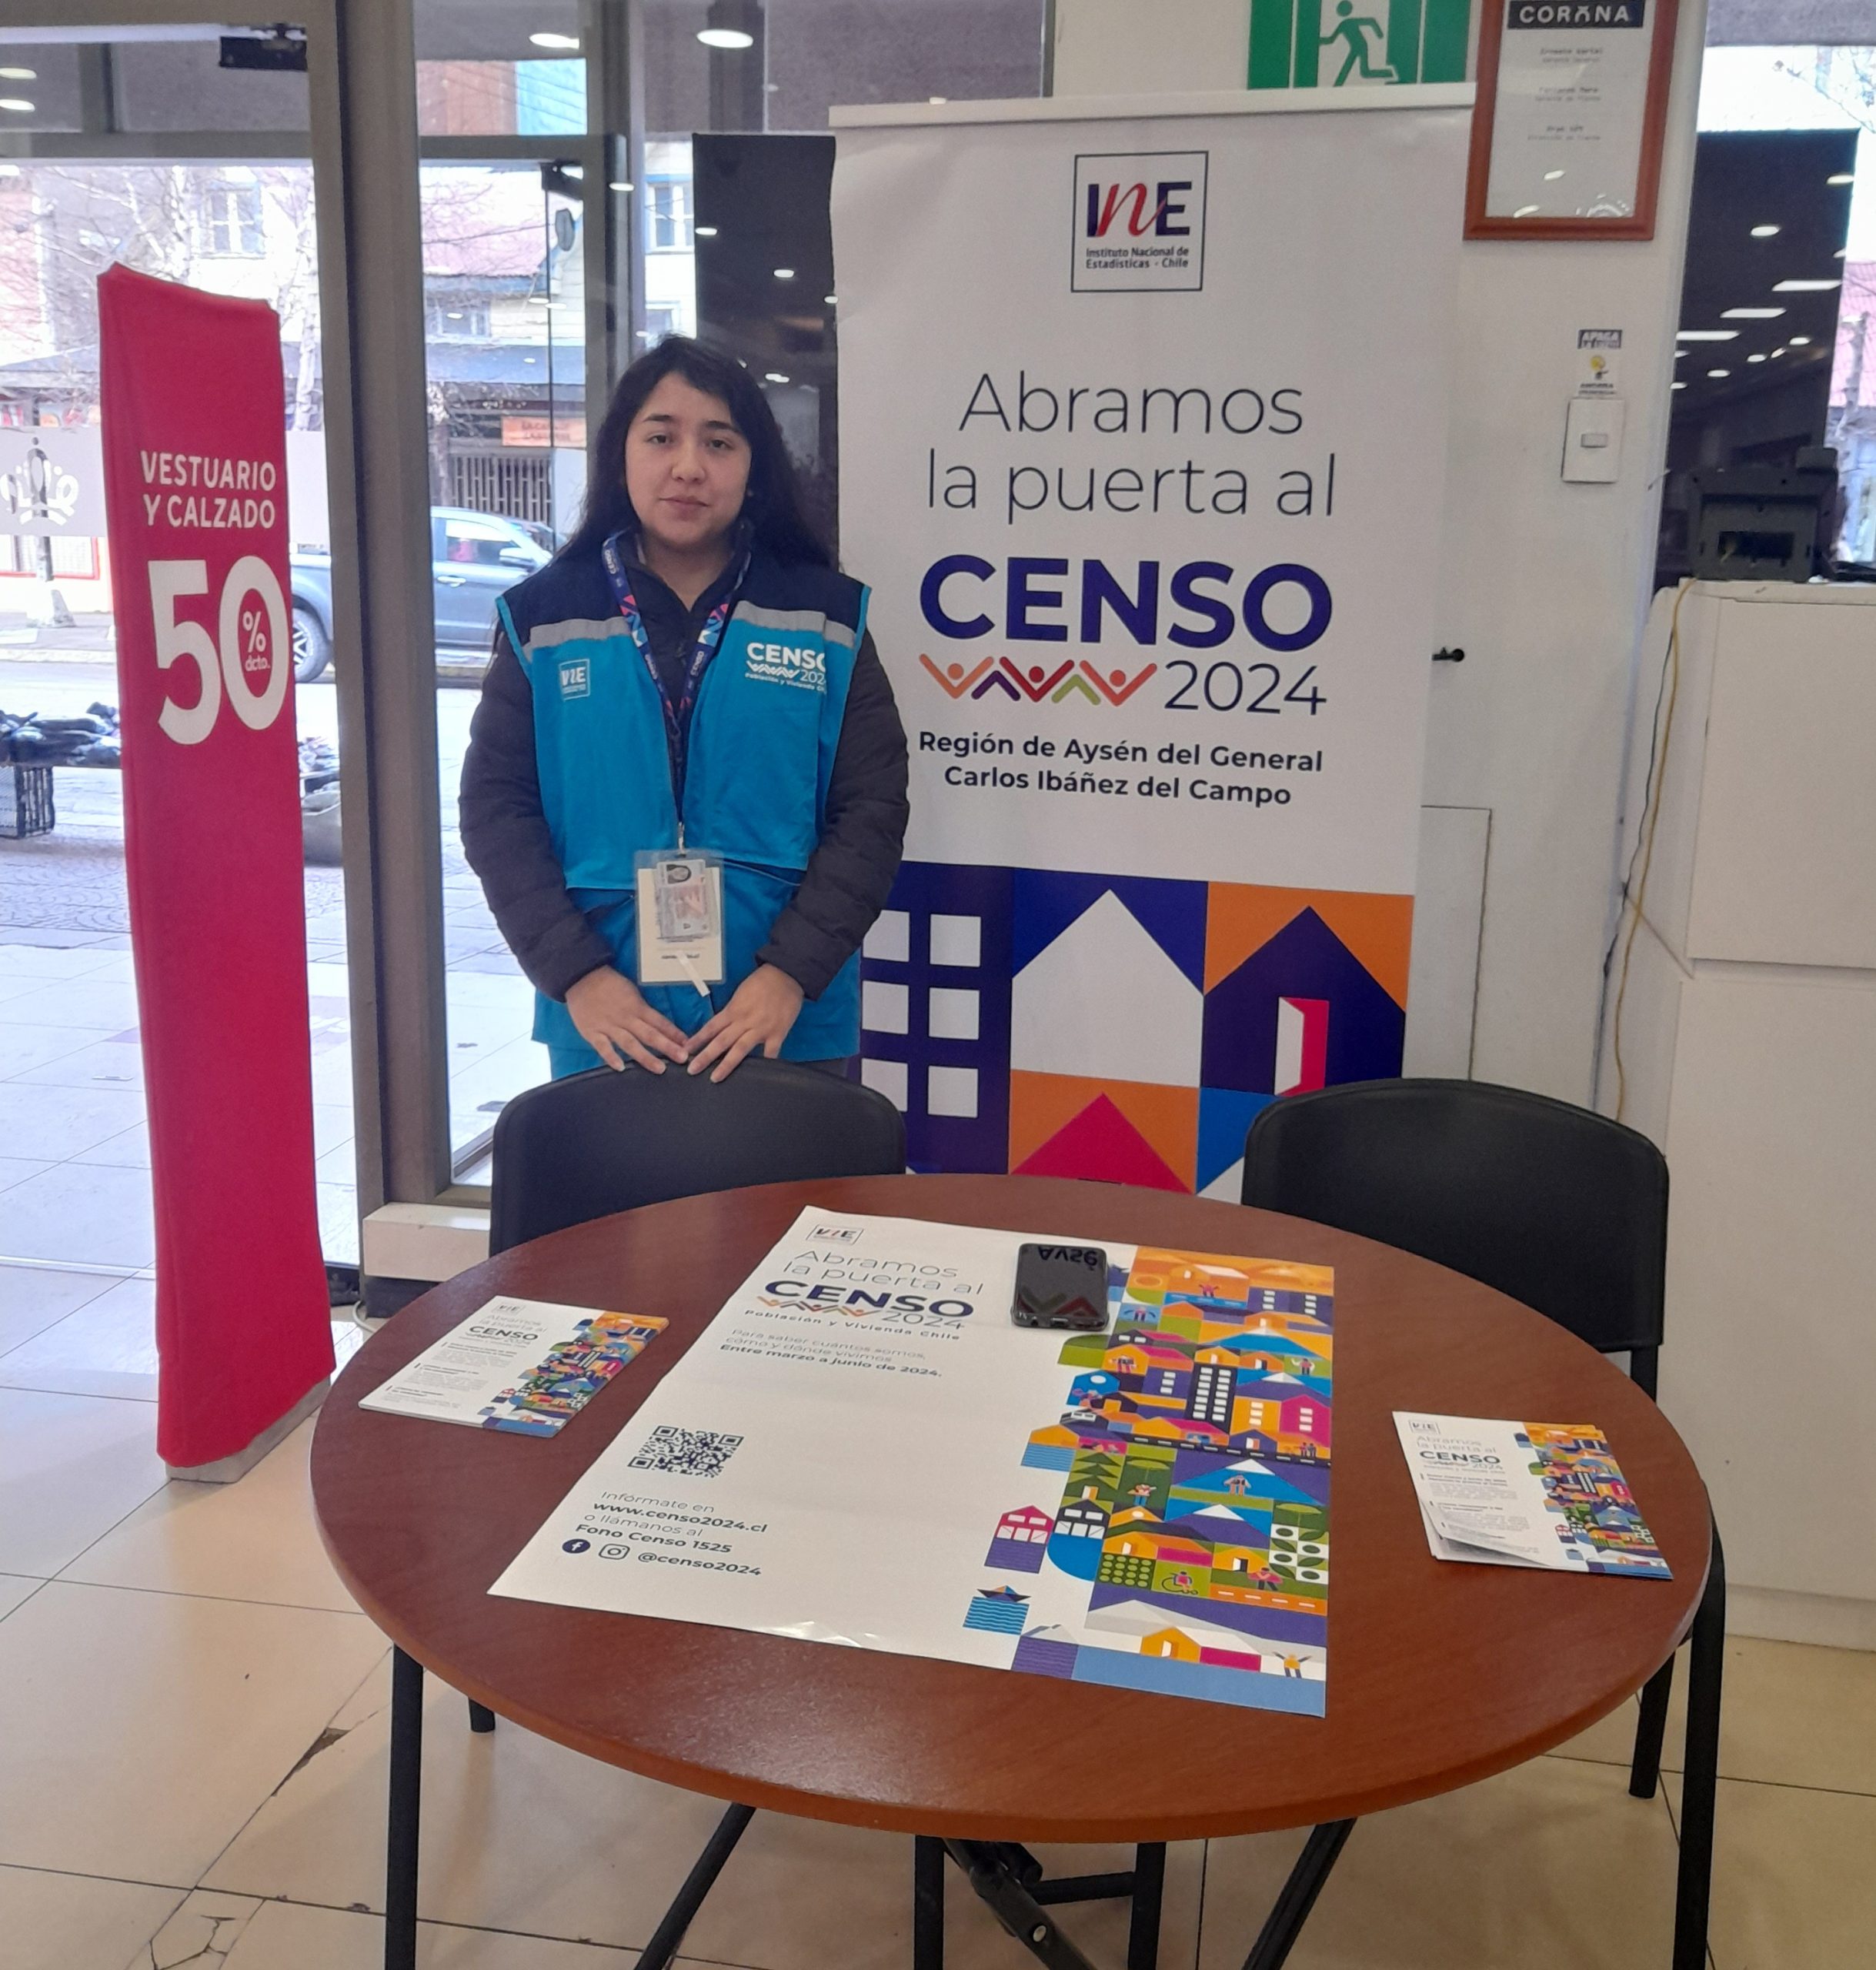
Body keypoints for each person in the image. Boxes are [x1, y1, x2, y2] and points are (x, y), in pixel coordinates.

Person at [459, 337, 908, 1083]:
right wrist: (578, 976)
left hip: (782, 1023)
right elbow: (495, 810)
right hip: (610, 1022)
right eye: (661, 436)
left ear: (753, 465)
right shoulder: (542, 618)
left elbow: (871, 810)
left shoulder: (826, 618)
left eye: (719, 441)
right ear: (621, 454)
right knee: (622, 1206)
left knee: (789, 1205)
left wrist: (789, 975)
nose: (688, 466)